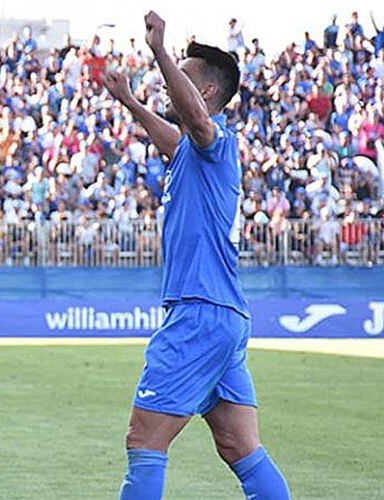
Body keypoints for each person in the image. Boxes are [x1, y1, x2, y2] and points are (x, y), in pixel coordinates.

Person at [101, 12, 290, 499]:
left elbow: (195, 126)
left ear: (205, 93)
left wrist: (160, 50)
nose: (169, 84)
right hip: (224, 316)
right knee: (239, 447)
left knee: (143, 440)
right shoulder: (198, 149)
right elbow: (175, 140)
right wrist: (128, 101)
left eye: (182, 79)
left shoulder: (213, 138)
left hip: (198, 312)